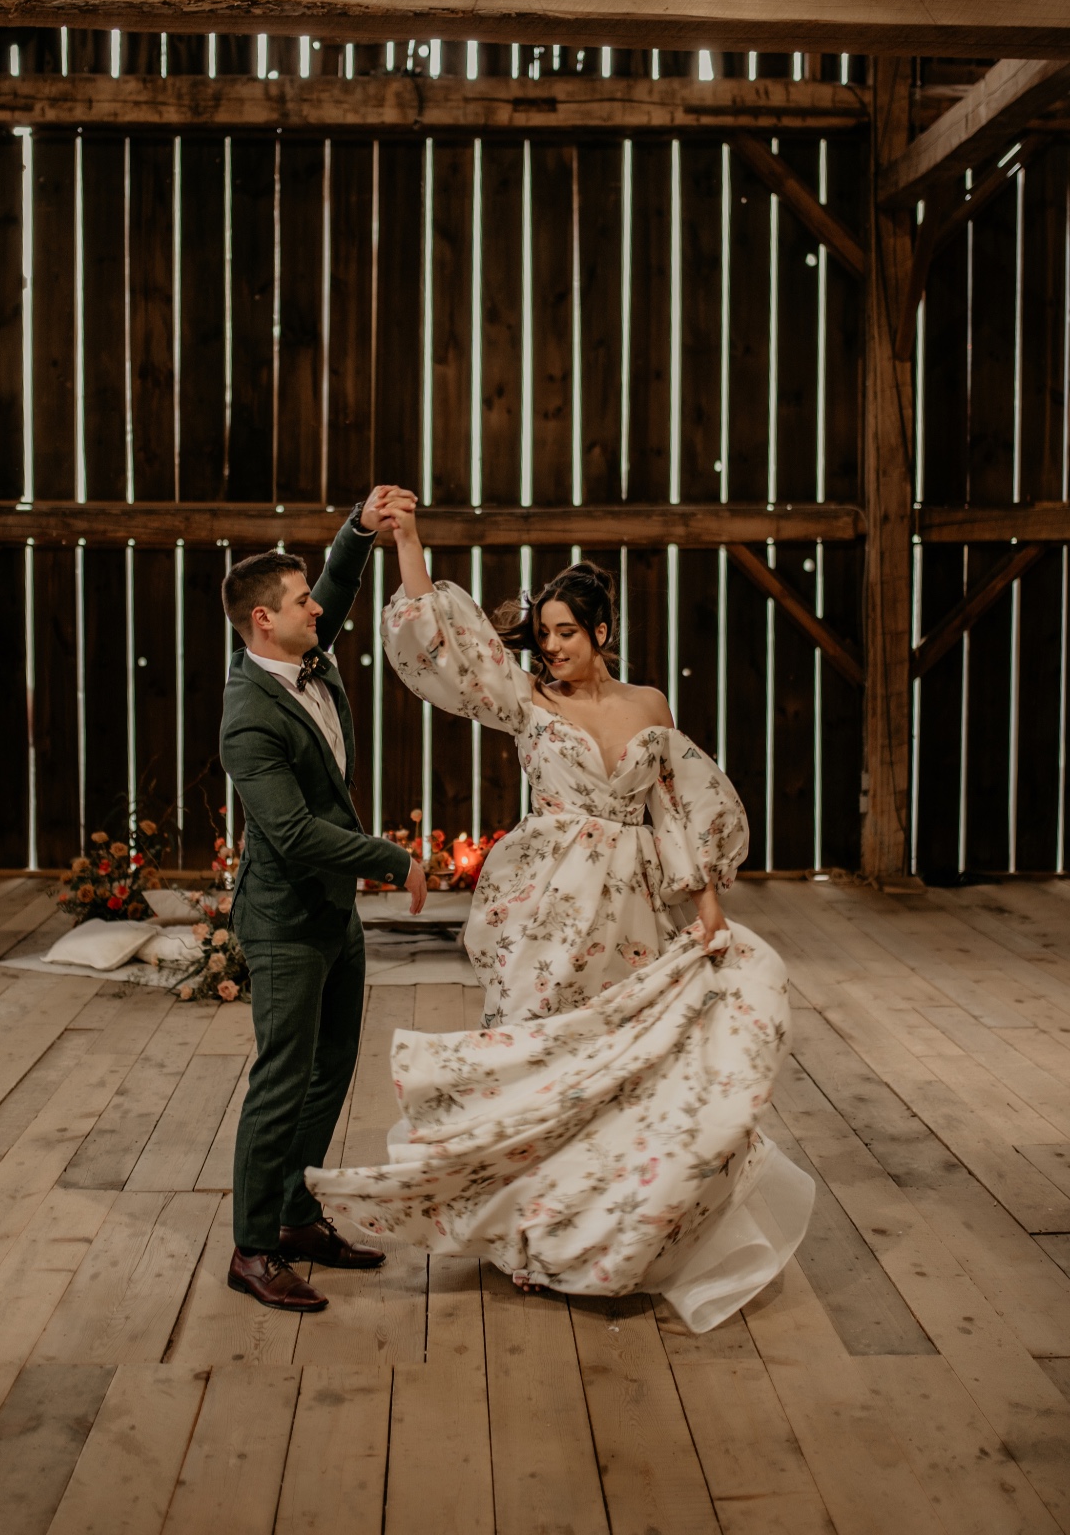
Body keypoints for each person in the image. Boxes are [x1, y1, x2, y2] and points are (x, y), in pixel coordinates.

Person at [308, 493, 814, 1332]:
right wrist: (409, 544)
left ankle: (610, 1235)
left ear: (601, 633)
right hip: (548, 905)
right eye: (542, 634)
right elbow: (447, 650)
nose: (550, 648)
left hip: (637, 904)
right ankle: (529, 1242)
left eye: (565, 633)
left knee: (620, 1067)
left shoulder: (649, 706)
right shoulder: (526, 698)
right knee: (541, 1053)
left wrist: (709, 909)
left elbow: (674, 810)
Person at [219, 487, 427, 1313]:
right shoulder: (247, 717)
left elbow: (337, 585)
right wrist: (391, 857)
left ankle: (299, 1217)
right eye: (300, 601)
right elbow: (295, 835)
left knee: (329, 1069)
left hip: (332, 913)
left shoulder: (301, 651)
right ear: (264, 622)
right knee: (280, 1078)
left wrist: (359, 527)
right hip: (284, 921)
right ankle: (253, 1247)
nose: (318, 608)